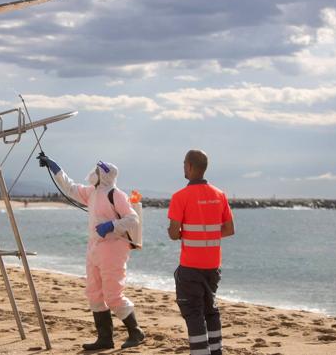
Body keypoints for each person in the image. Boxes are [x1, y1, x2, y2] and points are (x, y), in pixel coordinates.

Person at [38, 154, 145, 350]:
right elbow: (70, 188)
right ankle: (105, 338)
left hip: (113, 249)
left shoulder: (116, 194)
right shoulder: (93, 192)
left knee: (113, 295)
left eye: (96, 171)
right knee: (94, 294)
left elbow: (133, 219)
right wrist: (54, 167)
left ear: (103, 175)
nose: (93, 173)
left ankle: (135, 332)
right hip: (95, 248)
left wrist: (111, 225)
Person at [167, 150, 235, 355]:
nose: (183, 168)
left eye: (183, 164)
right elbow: (230, 229)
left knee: (193, 313)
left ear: (189, 166)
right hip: (212, 266)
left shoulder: (180, 196)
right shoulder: (219, 194)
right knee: (211, 311)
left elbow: (173, 232)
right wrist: (208, 236)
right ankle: (216, 351)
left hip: (190, 266)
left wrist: (180, 234)